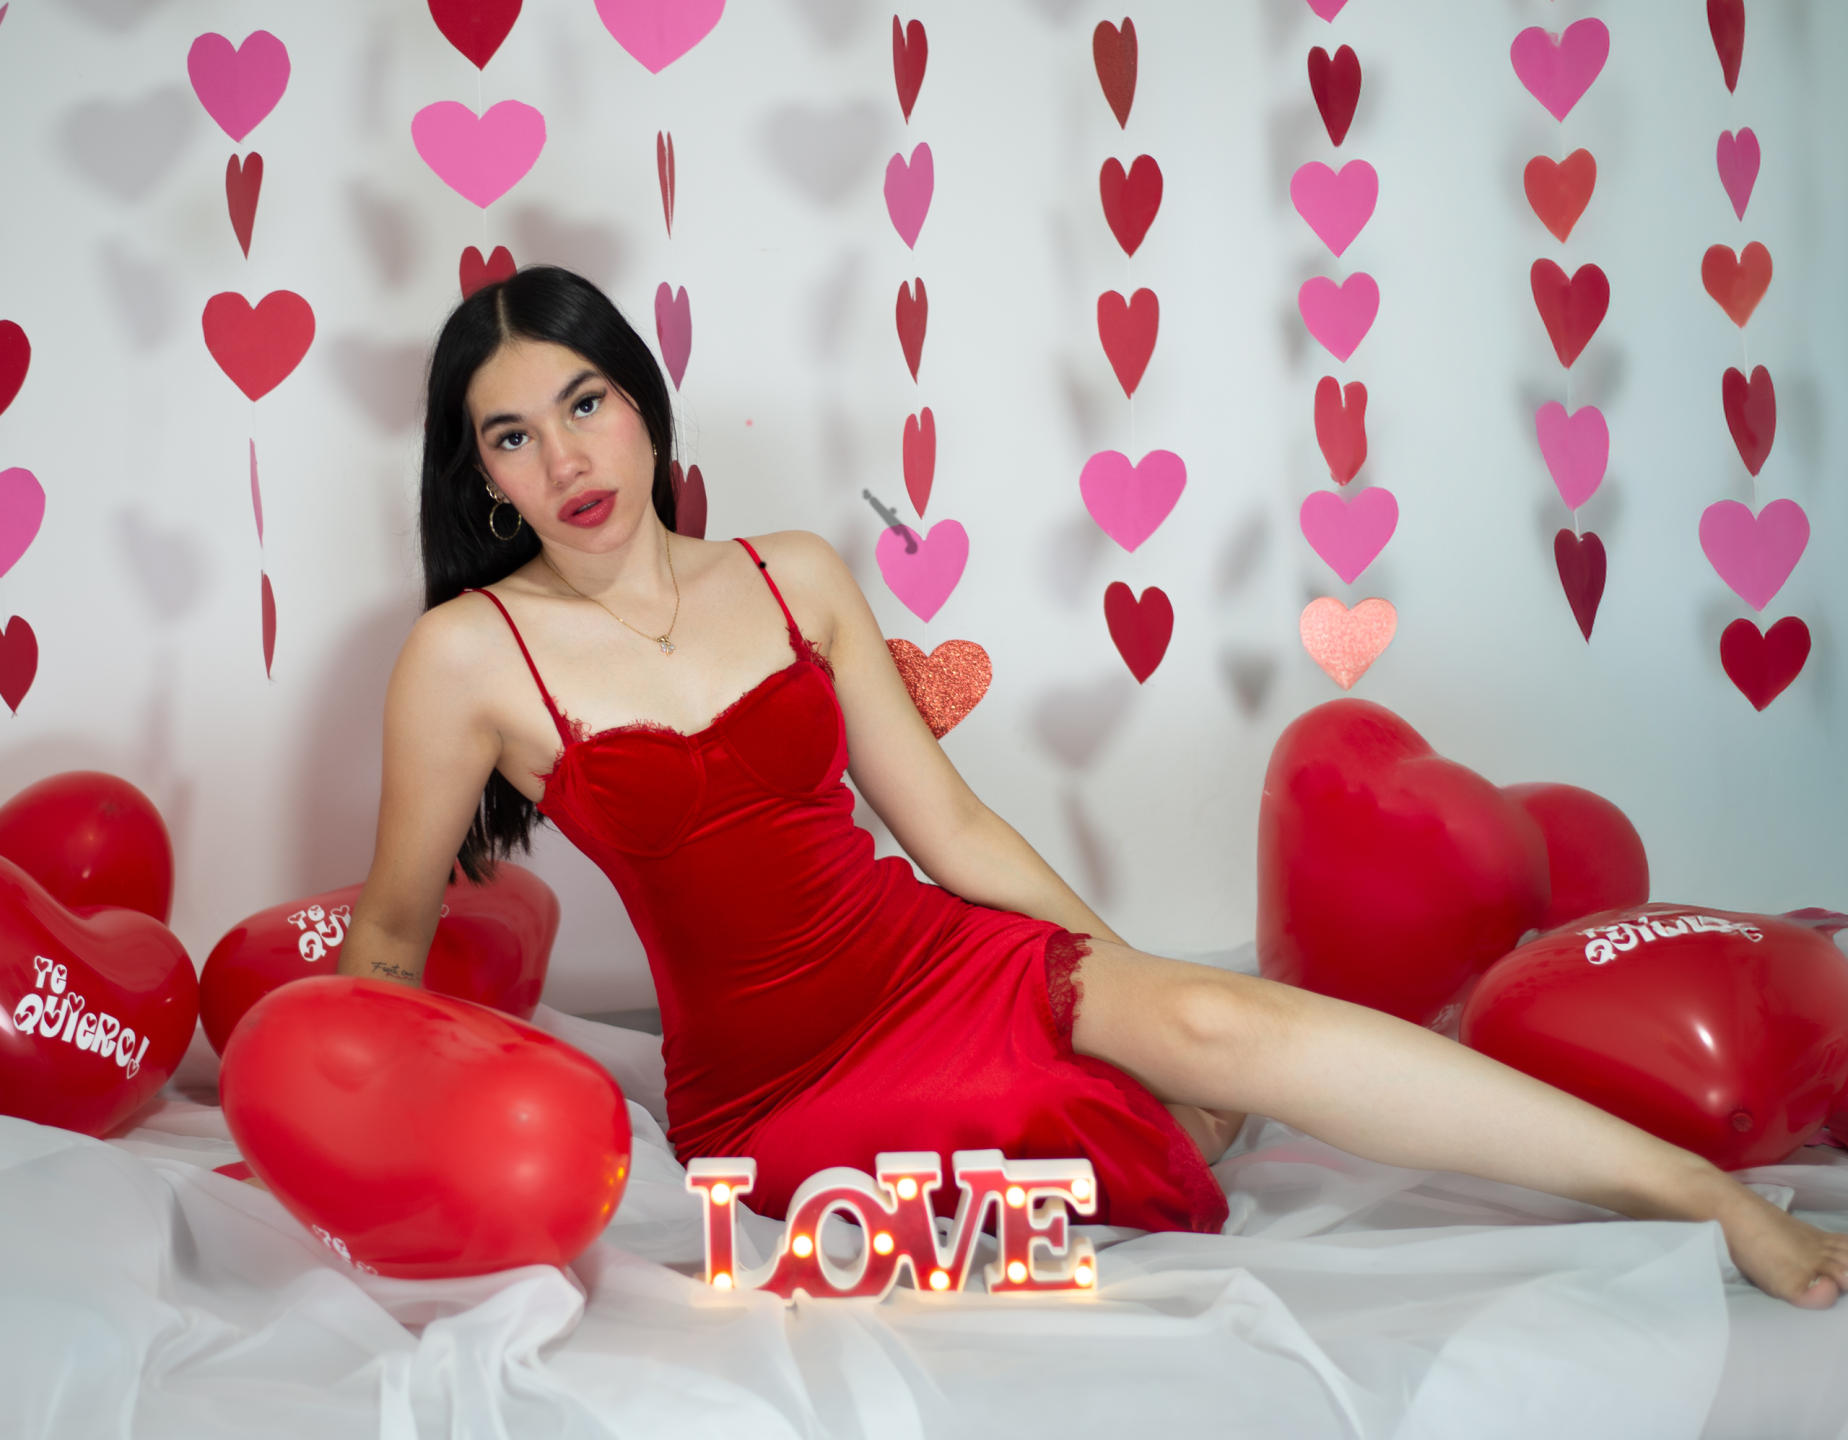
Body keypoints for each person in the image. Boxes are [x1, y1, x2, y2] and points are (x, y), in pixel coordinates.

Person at [337, 264, 1848, 1307]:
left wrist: (1126, 984)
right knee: (1087, 1137)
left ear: (644, 403)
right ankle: (1163, 1112)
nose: (567, 460)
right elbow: (392, 940)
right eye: (513, 437)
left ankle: (1695, 1192)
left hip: (928, 955)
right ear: (484, 479)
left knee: (1217, 1022)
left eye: (587, 402)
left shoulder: (793, 572)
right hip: (772, 1084)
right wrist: (358, 1134)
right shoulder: (466, 658)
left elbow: (948, 826)